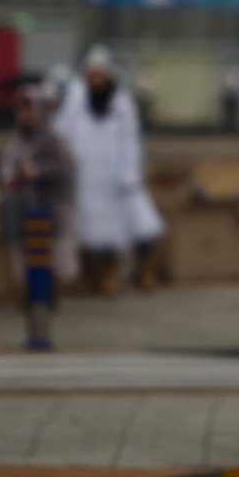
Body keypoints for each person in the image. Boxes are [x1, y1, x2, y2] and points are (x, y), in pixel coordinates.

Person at [54, 46, 164, 294]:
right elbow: (62, 132)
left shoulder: (122, 103)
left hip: (116, 177)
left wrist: (129, 172)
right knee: (87, 231)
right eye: (92, 76)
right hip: (85, 178)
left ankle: (124, 274)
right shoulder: (75, 100)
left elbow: (131, 139)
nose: (97, 81)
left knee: (132, 226)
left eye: (101, 76)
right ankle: (89, 278)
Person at [0, 83, 76, 348]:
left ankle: (43, 327)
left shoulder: (54, 140)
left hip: (48, 221)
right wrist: (11, 177)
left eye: (30, 110)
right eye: (22, 110)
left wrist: (36, 171)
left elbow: (65, 172)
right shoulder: (18, 140)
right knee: (26, 276)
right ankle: (33, 325)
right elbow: (7, 169)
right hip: (24, 219)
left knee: (46, 275)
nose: (25, 116)